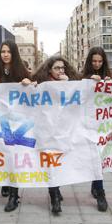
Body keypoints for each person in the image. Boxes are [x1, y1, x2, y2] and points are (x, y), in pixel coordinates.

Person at [0, 40, 33, 212]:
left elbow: (34, 89)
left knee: (14, 156)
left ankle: (14, 195)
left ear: (14, 54)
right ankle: (5, 182)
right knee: (1, 153)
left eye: (9, 52)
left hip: (17, 121)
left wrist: (29, 82)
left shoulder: (21, 70)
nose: (5, 54)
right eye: (3, 51)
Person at [31, 55, 80, 214]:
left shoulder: (70, 84)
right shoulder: (41, 85)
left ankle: (57, 191)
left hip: (63, 133)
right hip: (46, 132)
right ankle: (54, 197)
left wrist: (67, 85)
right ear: (49, 70)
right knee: (50, 165)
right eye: (57, 68)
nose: (60, 71)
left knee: (60, 164)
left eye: (62, 68)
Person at [81, 47, 112, 212]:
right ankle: (96, 187)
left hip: (102, 126)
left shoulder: (110, 77)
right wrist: (87, 80)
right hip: (85, 125)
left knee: (99, 158)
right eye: (94, 61)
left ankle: (100, 192)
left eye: (100, 61)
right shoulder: (83, 78)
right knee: (92, 157)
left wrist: (110, 85)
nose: (97, 64)